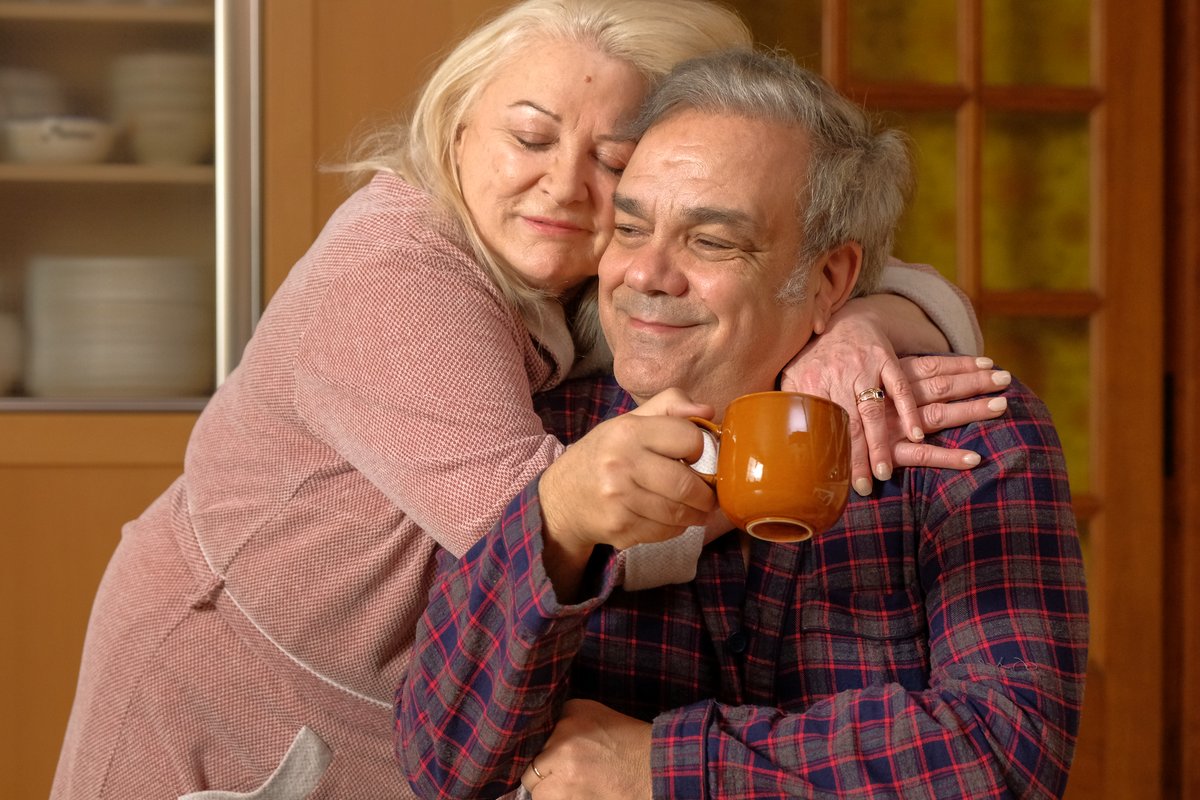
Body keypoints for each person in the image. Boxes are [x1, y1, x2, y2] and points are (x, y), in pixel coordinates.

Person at [51, 3, 991, 799]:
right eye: (530, 137)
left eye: (614, 158)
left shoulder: (585, 266)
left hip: (410, 712)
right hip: (236, 678)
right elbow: (551, 520)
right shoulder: (395, 270)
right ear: (458, 128)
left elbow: (810, 255)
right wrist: (793, 428)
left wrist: (873, 318)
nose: (563, 184)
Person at [398, 48, 1088, 800]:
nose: (646, 276)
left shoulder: (966, 433)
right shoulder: (544, 433)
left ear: (830, 280)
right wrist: (555, 522)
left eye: (710, 241)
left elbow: (1001, 758)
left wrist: (659, 768)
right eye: (630, 231)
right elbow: (443, 766)